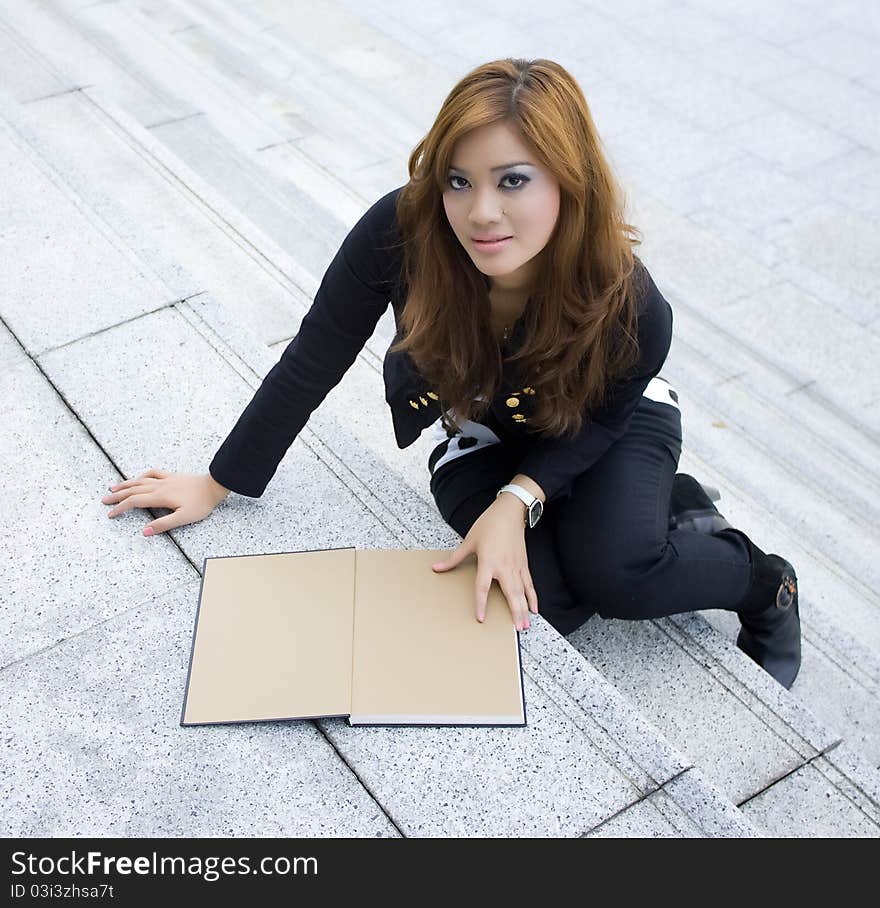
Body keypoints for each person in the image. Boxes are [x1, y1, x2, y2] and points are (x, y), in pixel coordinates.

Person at [99, 59, 801, 689]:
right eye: (458, 182)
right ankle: (661, 507)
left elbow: (606, 419)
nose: (481, 212)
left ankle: (764, 583)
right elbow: (315, 355)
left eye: (513, 181)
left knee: (616, 574)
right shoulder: (400, 232)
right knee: (541, 603)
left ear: (569, 180)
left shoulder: (631, 304)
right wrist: (219, 482)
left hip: (602, 424)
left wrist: (515, 502)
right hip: (486, 436)